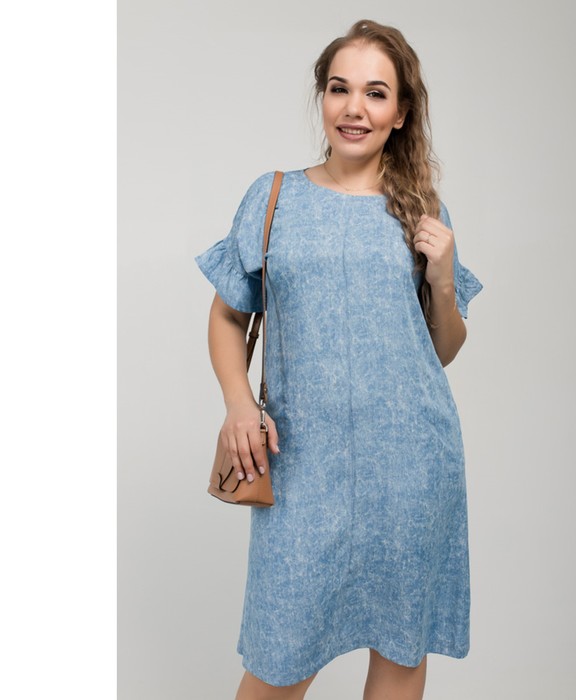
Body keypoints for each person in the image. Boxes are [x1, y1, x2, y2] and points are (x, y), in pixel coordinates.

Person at [195, 19, 484, 700]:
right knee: (279, 657)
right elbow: (228, 314)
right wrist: (239, 403)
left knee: (400, 650)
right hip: (302, 462)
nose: (355, 108)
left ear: (401, 112)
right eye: (339, 88)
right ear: (322, 98)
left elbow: (441, 350)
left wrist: (443, 278)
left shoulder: (422, 209)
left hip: (411, 464)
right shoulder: (274, 197)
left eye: (376, 93)